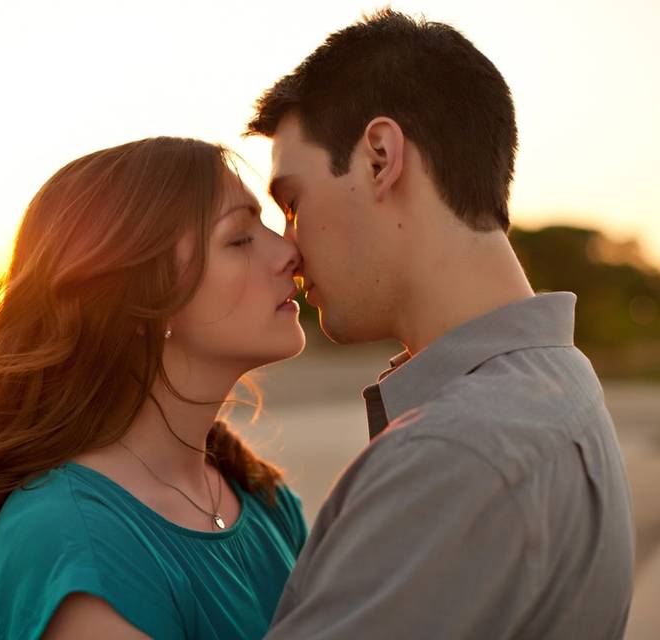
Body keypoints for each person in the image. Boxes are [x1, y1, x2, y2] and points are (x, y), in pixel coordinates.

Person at [245, 9, 635, 639]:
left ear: (379, 158)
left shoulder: (454, 456)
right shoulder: (561, 379)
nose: (288, 248)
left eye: (292, 202)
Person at [0, 137, 310, 639]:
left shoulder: (263, 498)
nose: (289, 251)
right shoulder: (70, 539)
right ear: (141, 300)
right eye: (239, 239)